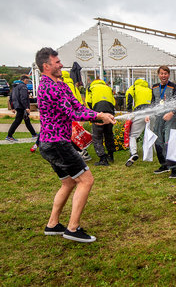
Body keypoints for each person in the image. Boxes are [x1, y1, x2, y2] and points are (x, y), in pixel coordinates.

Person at [36, 47, 115, 243]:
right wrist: (97, 115)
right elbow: (70, 114)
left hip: (53, 143)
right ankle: (72, 228)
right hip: (56, 143)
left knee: (69, 182)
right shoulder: (48, 87)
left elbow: (78, 107)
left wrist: (98, 117)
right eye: (56, 62)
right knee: (86, 180)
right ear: (46, 66)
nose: (61, 64)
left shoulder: (60, 84)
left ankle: (53, 224)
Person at [145, 66, 176, 179]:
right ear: (158, 75)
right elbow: (153, 102)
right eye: (161, 73)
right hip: (158, 117)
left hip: (170, 117)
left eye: (165, 73)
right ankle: (164, 165)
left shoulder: (175, 87)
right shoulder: (155, 87)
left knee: (168, 142)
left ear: (168, 75)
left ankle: (174, 169)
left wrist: (172, 112)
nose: (163, 75)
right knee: (158, 142)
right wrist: (148, 114)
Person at [85, 79, 116, 166]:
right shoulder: (108, 88)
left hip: (98, 112)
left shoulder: (91, 88)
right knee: (109, 134)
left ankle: (103, 159)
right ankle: (111, 156)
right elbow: (113, 101)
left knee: (97, 136)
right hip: (109, 112)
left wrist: (92, 114)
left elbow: (88, 102)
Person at [124, 78, 152, 167]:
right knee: (151, 134)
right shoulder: (148, 89)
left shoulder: (134, 87)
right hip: (150, 113)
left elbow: (129, 97)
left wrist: (129, 110)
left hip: (139, 113)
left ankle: (134, 153)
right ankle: (153, 153)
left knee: (133, 135)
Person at [6, 75, 37, 141]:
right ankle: (9, 135)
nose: (27, 82)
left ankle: (34, 134)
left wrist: (12, 107)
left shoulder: (14, 86)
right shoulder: (23, 86)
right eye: (27, 81)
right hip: (21, 106)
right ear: (24, 80)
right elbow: (23, 98)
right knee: (17, 121)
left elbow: (11, 97)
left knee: (27, 120)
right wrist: (26, 107)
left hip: (17, 105)